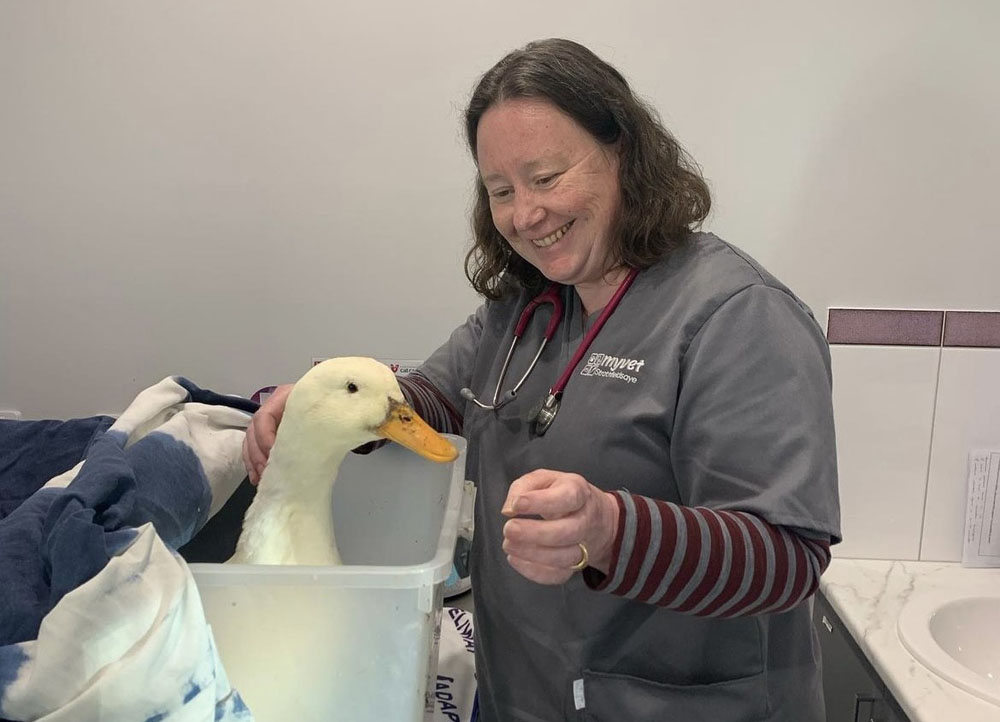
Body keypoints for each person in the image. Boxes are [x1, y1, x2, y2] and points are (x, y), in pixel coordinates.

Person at [243, 38, 840, 722]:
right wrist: (326, 404)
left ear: (623, 152)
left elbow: (787, 558)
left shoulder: (737, 318)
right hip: (525, 696)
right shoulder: (524, 307)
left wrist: (613, 531)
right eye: (501, 191)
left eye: (547, 178)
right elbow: (433, 402)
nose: (525, 215)